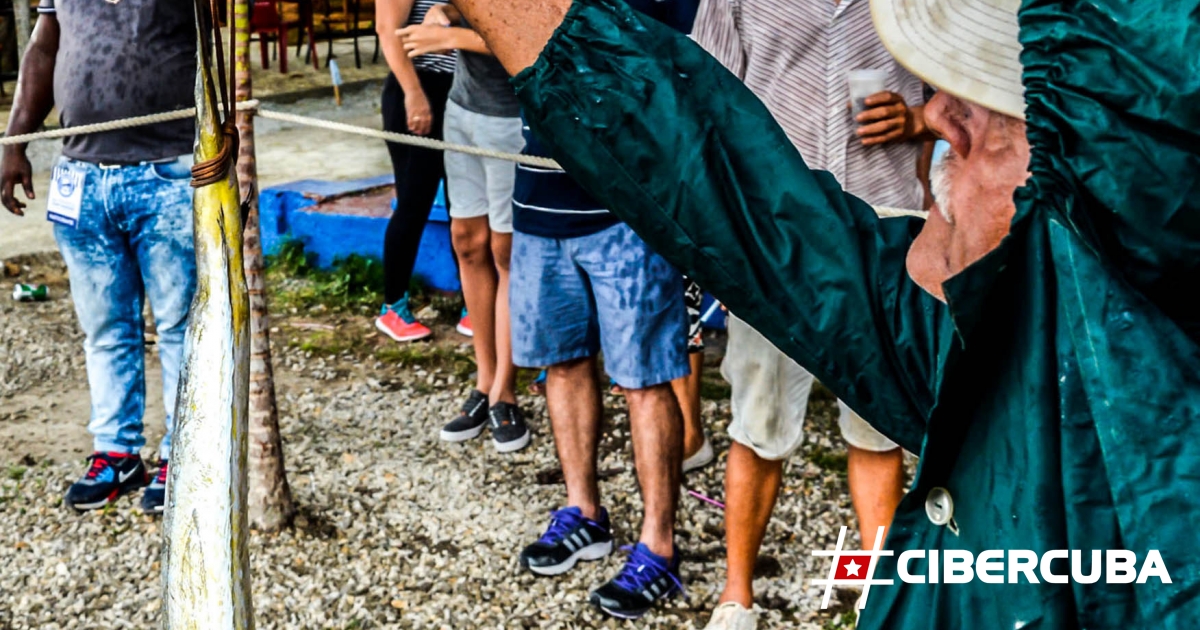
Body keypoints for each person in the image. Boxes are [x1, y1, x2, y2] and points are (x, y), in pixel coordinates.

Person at [425, 0, 1200, 627]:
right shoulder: (992, 336)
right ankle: (738, 591)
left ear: (1133, 203)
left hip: (876, 196)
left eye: (998, 110)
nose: (941, 115)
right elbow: (722, 173)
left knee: (867, 448)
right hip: (828, 214)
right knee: (760, 428)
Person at [688, 0, 930, 625]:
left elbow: (964, 93)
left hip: (884, 231)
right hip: (776, 239)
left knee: (879, 431)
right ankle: (736, 598)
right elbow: (703, 92)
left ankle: (880, 601)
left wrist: (916, 119)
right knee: (758, 423)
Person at [509, 0, 697, 618]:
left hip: (628, 214)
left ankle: (658, 548)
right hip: (538, 205)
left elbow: (674, 69)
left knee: (644, 381)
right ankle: (583, 511)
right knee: (560, 364)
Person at [0, 0, 197, 514]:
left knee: (180, 325)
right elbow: (45, 45)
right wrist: (15, 139)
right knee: (105, 327)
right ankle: (116, 453)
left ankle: (185, 456)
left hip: (169, 171)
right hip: (82, 177)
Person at [399, 2, 529, 452]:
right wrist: (442, 13)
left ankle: (505, 392)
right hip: (463, 111)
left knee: (504, 250)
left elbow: (534, 40)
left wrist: (450, 38)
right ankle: (484, 380)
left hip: (511, 119)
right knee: (467, 243)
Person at [374, 0, 460, 343]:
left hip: (459, 91)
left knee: (463, 204)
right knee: (414, 201)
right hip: (418, 87)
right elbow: (387, 30)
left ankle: (473, 302)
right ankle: (393, 305)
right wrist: (414, 94)